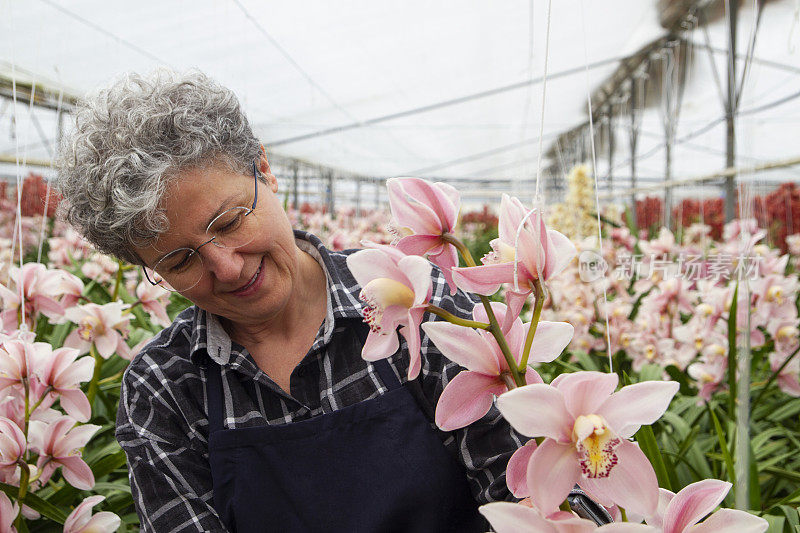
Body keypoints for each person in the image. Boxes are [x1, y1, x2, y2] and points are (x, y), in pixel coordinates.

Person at [56, 69, 524, 533]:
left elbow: (520, 498)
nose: (228, 268)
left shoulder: (420, 301)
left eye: (230, 221)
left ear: (263, 169)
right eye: (180, 262)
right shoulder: (164, 389)